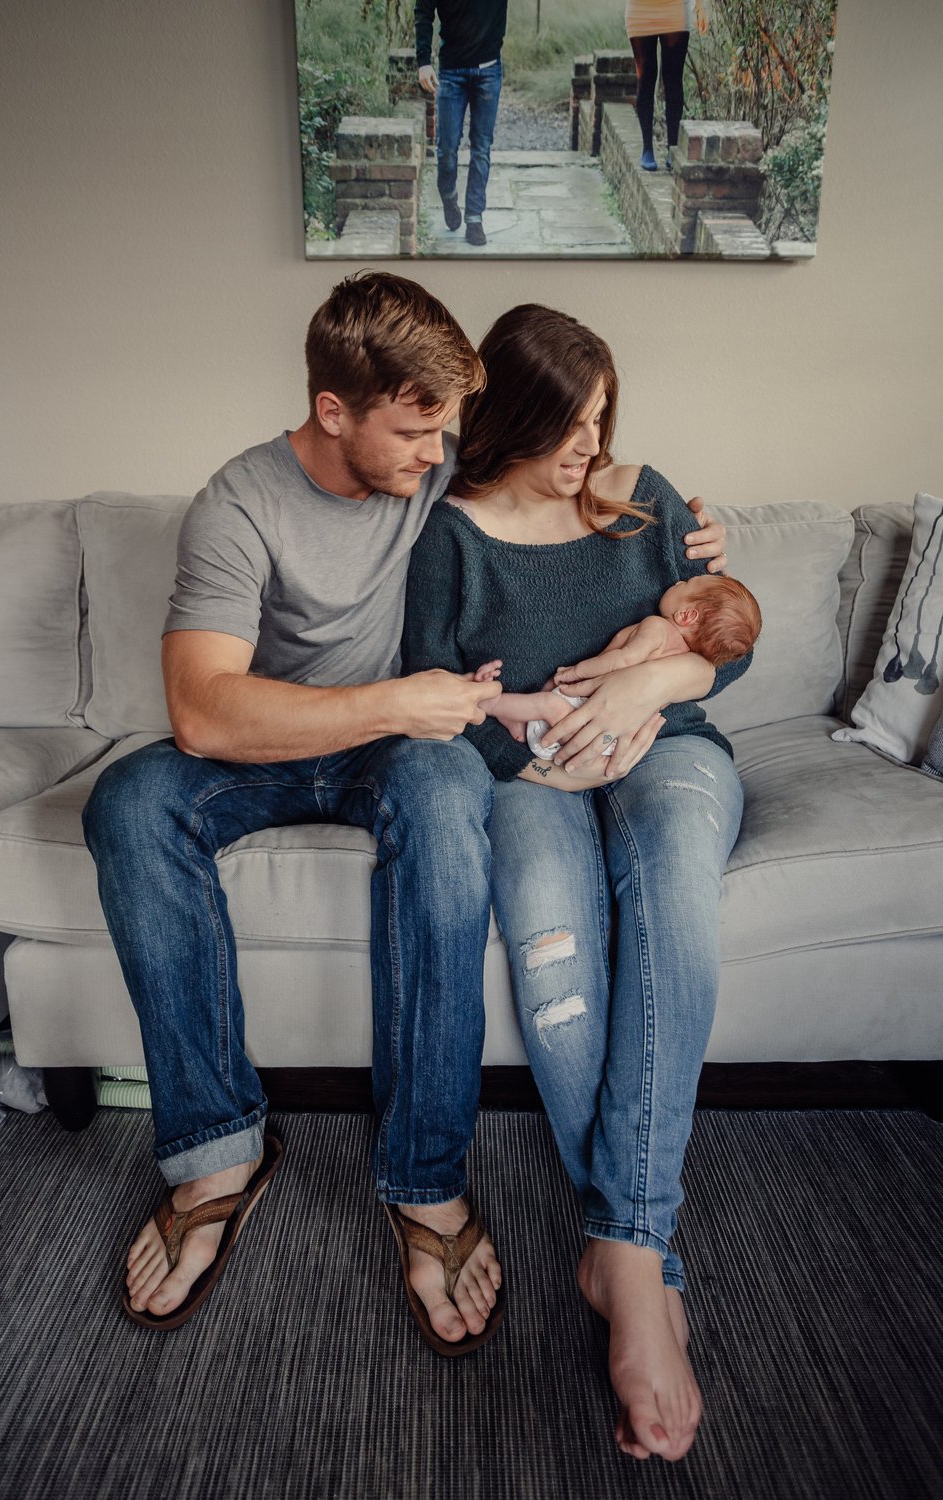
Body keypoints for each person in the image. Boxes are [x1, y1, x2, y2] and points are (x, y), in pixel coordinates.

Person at [81, 271, 510, 1350]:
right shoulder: (237, 502)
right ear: (333, 411)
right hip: (273, 753)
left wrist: (677, 532)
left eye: (443, 428)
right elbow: (203, 713)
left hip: (395, 759)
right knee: (131, 800)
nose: (434, 454)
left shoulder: (441, 458)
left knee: (451, 787)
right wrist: (391, 701)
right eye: (415, 430)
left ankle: (423, 1175)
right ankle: (219, 1147)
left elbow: (575, 470)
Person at [401, 302, 749, 1460]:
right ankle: (634, 1256)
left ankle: (627, 1256)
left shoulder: (645, 496)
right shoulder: (447, 534)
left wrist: (649, 690)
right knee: (552, 949)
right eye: (566, 424)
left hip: (672, 756)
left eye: (601, 418)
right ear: (506, 417)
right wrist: (542, 742)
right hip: (528, 783)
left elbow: (724, 637)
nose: (588, 448)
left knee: (673, 904)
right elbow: (432, 702)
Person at [474, 572, 761, 756]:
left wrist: (575, 671)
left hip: (590, 718)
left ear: (686, 615)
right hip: (617, 741)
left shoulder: (657, 628)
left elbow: (623, 660)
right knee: (548, 698)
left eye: (686, 584)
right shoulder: (686, 657)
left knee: (550, 701)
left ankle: (484, 701)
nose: (677, 581)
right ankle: (518, 721)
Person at [415, 0, 508, 247]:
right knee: (446, 149)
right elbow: (423, 11)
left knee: (481, 147)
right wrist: (423, 61)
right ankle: (448, 195)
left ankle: (474, 219)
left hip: (489, 72)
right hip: (451, 72)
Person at [625, 1, 693, 172]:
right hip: (640, 8)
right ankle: (647, 148)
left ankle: (672, 148)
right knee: (646, 77)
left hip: (674, 7)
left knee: (673, 79)